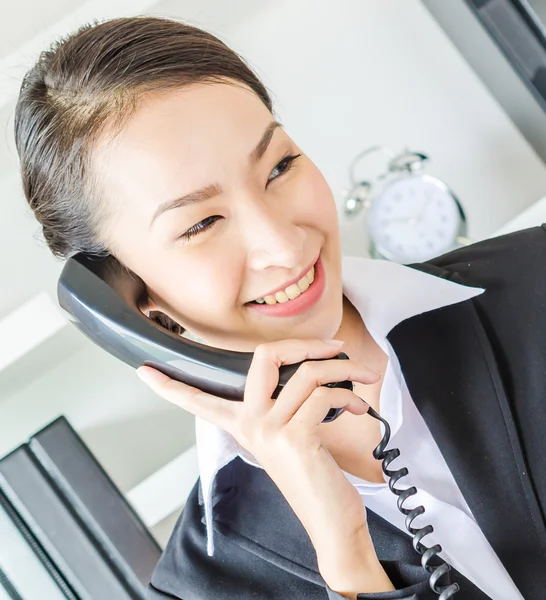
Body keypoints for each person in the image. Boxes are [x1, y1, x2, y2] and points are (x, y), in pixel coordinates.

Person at [13, 15, 546, 600]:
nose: (286, 245)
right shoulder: (206, 584)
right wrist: (344, 555)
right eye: (202, 223)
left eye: (280, 166)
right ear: (127, 295)